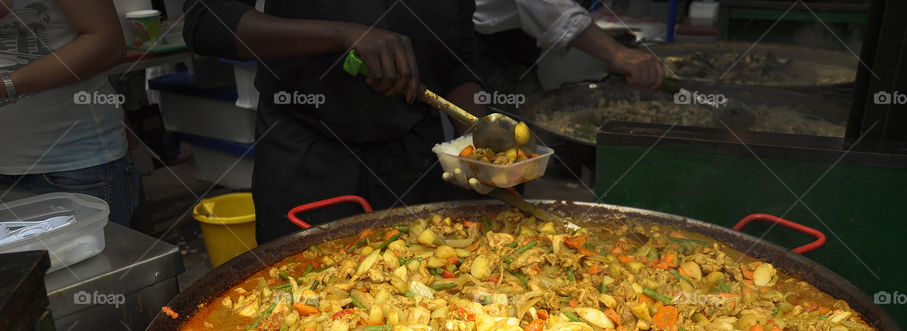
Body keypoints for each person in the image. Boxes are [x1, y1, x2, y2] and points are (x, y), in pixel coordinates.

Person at [183, 1, 486, 243]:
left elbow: (460, 57)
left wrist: (482, 143)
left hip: (415, 160)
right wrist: (341, 34)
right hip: (309, 158)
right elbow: (207, 19)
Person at [0, 0, 139, 226]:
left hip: (72, 166)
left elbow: (107, 45)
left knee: (93, 260)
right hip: (6, 163)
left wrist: (7, 86)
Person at [474, 0, 664, 90]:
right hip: (481, 47)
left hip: (518, 46)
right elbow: (548, 6)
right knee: (501, 143)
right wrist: (617, 53)